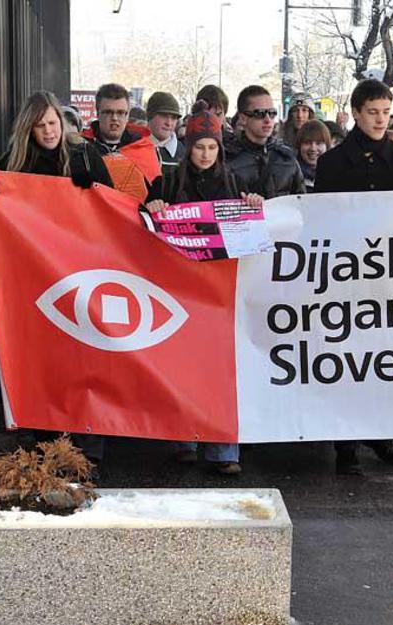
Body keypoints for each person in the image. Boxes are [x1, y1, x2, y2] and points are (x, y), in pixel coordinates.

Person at [313, 78, 393, 475]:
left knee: (386, 357)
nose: (381, 120)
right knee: (349, 358)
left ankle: (382, 434)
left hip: (391, 272)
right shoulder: (332, 162)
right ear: (356, 113)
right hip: (348, 274)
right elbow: (321, 220)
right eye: (372, 113)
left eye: (385, 112)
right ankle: (345, 445)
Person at [144, 101, 264, 475]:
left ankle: (223, 450)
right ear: (189, 148)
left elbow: (254, 223)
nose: (206, 154)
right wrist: (152, 206)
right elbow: (142, 225)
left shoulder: (235, 182)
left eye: (212, 147)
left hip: (220, 291)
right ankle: (185, 439)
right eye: (199, 147)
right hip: (178, 289)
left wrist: (254, 203)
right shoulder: (167, 182)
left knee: (221, 371)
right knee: (182, 367)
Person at [0, 90, 113, 476]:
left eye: (53, 123)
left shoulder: (85, 156)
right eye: (40, 125)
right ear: (27, 129)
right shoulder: (13, 164)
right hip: (34, 277)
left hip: (83, 272)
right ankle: (47, 443)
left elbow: (112, 208)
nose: (49, 131)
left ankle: (89, 448)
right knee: (45, 361)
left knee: (86, 358)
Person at [225, 85, 305, 198]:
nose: (267, 120)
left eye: (272, 113)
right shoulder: (227, 160)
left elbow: (301, 201)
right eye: (259, 113)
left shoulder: (287, 157)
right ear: (243, 118)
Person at [146, 91, 185, 178]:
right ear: (150, 116)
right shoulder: (134, 148)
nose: (169, 123)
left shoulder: (183, 154)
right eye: (164, 116)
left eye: (173, 118)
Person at [295, 120, 331, 192]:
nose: (313, 148)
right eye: (307, 143)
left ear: (327, 146)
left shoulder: (335, 174)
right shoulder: (290, 174)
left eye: (318, 143)